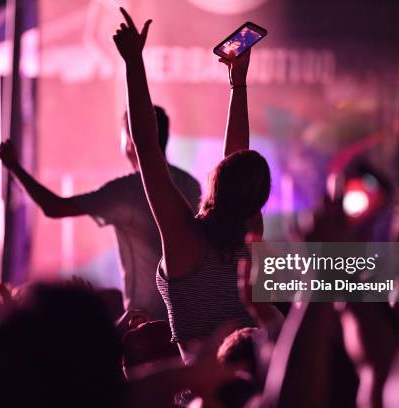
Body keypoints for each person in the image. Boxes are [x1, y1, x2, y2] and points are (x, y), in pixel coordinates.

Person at [113, 8, 271, 359]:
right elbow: (237, 155)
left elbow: (147, 149)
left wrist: (134, 63)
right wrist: (238, 83)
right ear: (256, 202)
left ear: (217, 178)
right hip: (258, 386)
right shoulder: (250, 235)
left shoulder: (184, 240)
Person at [0, 107, 201, 320]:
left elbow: (54, 207)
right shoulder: (191, 185)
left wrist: (14, 167)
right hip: (191, 316)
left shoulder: (127, 191)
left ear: (131, 142)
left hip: (145, 323)